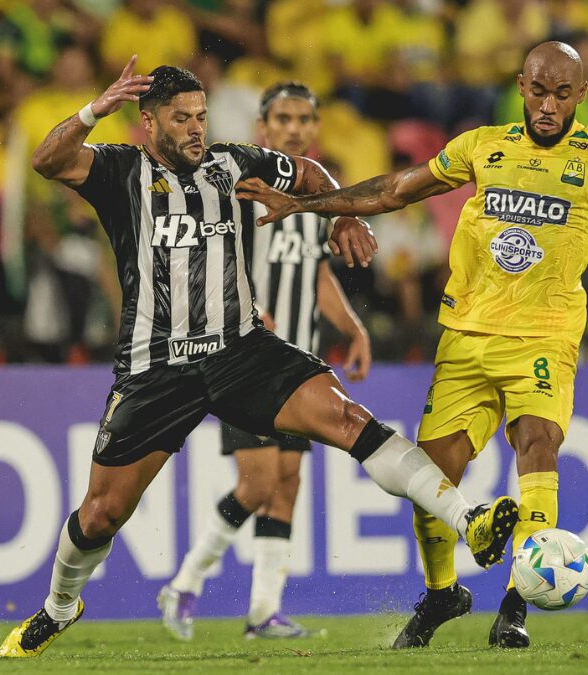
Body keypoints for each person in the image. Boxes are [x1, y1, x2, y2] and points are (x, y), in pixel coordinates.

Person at [0, 58, 519, 658]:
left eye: (201, 115)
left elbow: (312, 172)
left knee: (351, 420)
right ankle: (60, 606)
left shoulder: (233, 162)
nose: (196, 128)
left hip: (241, 349)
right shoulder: (120, 170)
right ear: (148, 124)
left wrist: (342, 214)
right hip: (155, 365)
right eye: (180, 118)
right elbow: (47, 160)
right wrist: (95, 109)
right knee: (101, 514)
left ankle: (468, 519)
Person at [237, 41, 588, 650]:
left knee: (539, 445)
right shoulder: (483, 145)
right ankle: (442, 593)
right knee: (433, 473)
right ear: (520, 85)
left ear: (581, 96)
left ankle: (515, 603)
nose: (549, 105)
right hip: (466, 336)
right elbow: (399, 188)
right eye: (538, 91)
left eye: (563, 94)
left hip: (545, 335)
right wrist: (309, 205)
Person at [159, 82, 372, 641]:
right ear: (263, 127)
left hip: (298, 364)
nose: (295, 128)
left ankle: (263, 610)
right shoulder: (245, 186)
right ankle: (184, 583)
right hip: (244, 359)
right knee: (257, 483)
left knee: (289, 482)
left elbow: (315, 272)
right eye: (284, 118)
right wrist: (246, 306)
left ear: (316, 128)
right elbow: (204, 253)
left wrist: (352, 328)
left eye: (304, 118)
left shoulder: (312, 196)